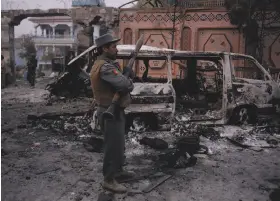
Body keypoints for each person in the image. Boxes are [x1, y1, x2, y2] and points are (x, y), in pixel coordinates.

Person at [90, 33, 135, 193]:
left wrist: (126, 74)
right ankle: (109, 179)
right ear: (105, 48)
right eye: (113, 46)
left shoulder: (104, 64)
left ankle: (118, 172)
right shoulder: (105, 67)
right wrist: (128, 81)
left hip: (114, 109)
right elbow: (125, 84)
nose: (116, 49)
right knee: (112, 146)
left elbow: (122, 81)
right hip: (110, 111)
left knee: (119, 144)